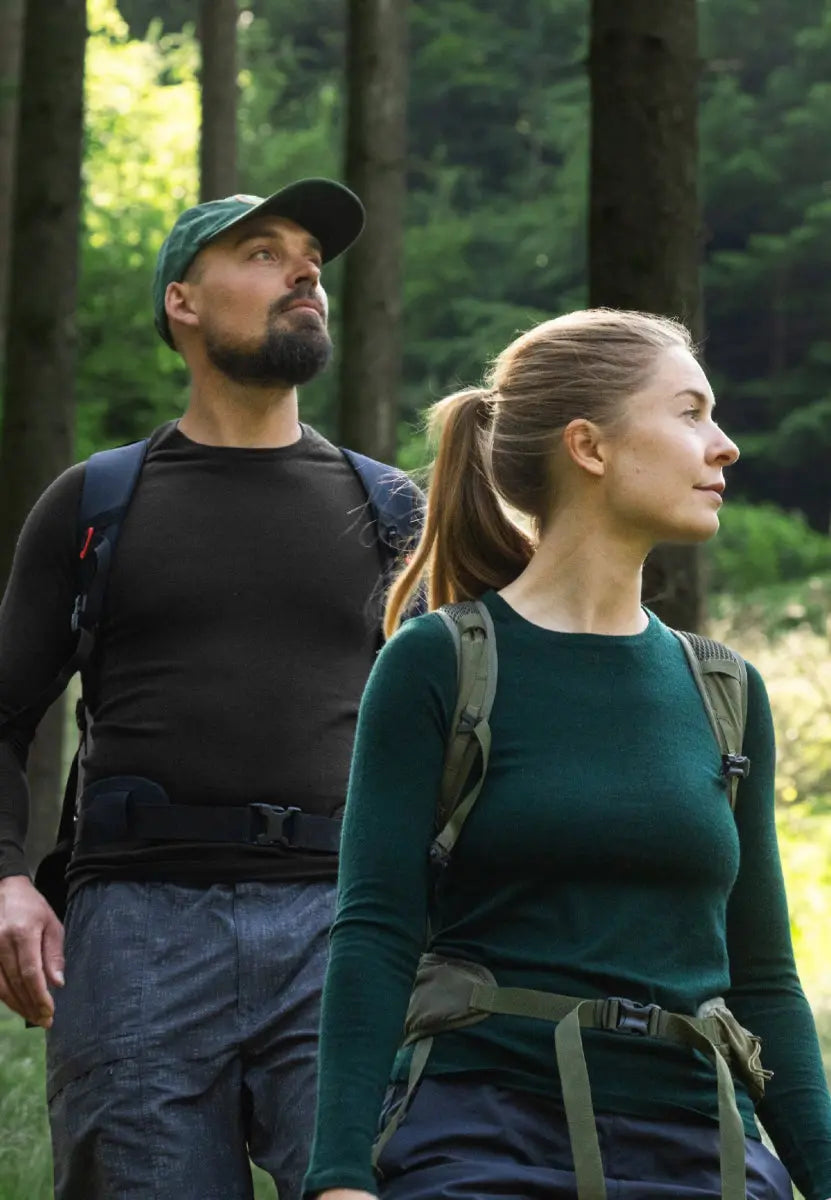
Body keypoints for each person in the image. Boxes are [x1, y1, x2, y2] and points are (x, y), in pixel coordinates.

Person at [303, 309, 831, 1200]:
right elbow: (374, 933)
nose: (725, 446)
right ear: (588, 446)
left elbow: (766, 983)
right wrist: (339, 1176)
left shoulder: (726, 690)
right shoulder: (442, 662)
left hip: (702, 1140)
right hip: (479, 1133)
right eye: (691, 412)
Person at [0, 179, 420, 1200]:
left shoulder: (391, 509)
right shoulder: (97, 501)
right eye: (264, 253)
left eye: (311, 256)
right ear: (183, 303)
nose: (306, 271)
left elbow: (472, 727)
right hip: (137, 934)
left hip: (343, 926)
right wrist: (6, 877)